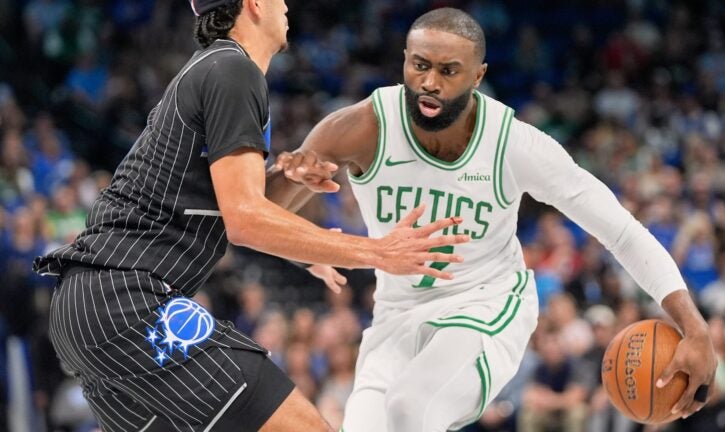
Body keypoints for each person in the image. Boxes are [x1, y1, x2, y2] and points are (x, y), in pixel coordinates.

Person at [269, 7, 718, 431]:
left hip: (487, 305)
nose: (429, 82)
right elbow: (253, 216)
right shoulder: (359, 127)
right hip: (396, 314)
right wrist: (290, 178)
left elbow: (621, 232)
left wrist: (695, 327)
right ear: (404, 60)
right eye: (420, 65)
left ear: (478, 76)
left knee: (410, 407)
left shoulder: (515, 144)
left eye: (448, 71)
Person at [31, 0, 468, 431]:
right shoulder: (232, 71)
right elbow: (244, 219)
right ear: (254, 4)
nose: (286, 6)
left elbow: (237, 205)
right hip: (126, 298)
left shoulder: (218, 69)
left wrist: (292, 183)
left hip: (88, 307)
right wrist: (376, 251)